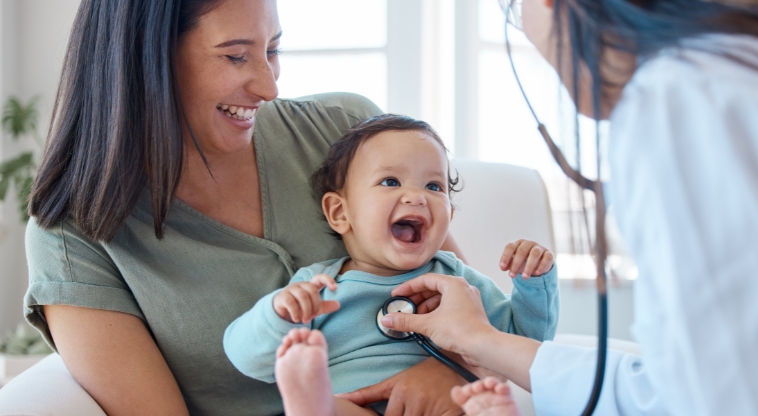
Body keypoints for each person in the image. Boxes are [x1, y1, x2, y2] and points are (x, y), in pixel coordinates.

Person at [373, 0, 758, 415]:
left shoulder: (683, 101)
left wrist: (496, 327)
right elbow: (679, 389)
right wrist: (480, 341)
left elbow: (742, 400)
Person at [18, 1, 473, 415]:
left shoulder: (349, 132)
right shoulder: (71, 237)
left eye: (273, 50)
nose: (269, 86)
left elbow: (467, 306)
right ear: (145, 61)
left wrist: (448, 372)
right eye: (236, 56)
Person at [222, 114, 560, 416]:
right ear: (341, 213)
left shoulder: (456, 280)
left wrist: (533, 283)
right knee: (337, 408)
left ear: (449, 217)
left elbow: (518, 343)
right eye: (390, 182)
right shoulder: (319, 286)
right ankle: (312, 403)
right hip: (354, 404)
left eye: (434, 186)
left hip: (447, 406)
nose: (417, 196)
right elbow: (247, 359)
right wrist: (278, 314)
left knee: (476, 400)